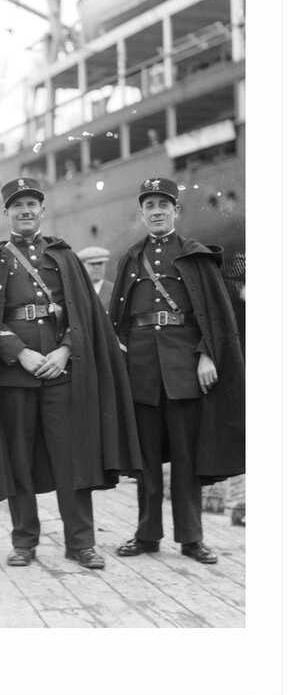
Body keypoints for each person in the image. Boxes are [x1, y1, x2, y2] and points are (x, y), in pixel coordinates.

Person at [0, 177, 144, 569]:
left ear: (42, 210)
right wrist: (20, 353)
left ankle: (81, 543)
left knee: (74, 460)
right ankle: (24, 541)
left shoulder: (64, 257)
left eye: (31, 203)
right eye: (17, 205)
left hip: (62, 372)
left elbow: (85, 316)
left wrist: (65, 351)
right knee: (18, 460)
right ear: (5, 212)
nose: (25, 210)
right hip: (14, 376)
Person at [109, 178, 245, 564]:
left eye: (163, 205)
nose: (156, 211)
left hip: (185, 369)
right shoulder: (130, 258)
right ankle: (147, 535)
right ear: (142, 213)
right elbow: (118, 320)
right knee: (146, 459)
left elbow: (217, 316)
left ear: (176, 211)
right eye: (149, 206)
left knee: (187, 457)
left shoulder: (195, 256)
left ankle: (191, 538)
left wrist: (207, 355)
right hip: (143, 371)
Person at [77, 245, 114, 312]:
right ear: (81, 266)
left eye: (100, 263)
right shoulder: (75, 292)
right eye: (93, 264)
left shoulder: (114, 291)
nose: (97, 267)